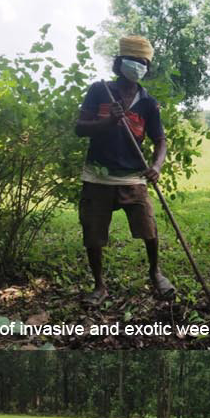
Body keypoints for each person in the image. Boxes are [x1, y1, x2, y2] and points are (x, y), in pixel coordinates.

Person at [73, 35, 173, 305]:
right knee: (93, 233)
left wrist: (156, 166)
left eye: (142, 62)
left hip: (133, 177)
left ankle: (155, 273)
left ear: (147, 67)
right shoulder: (100, 91)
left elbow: (160, 140)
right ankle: (99, 286)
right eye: (132, 61)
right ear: (119, 63)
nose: (137, 66)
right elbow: (80, 128)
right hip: (98, 175)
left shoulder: (148, 103)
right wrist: (107, 122)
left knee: (148, 229)